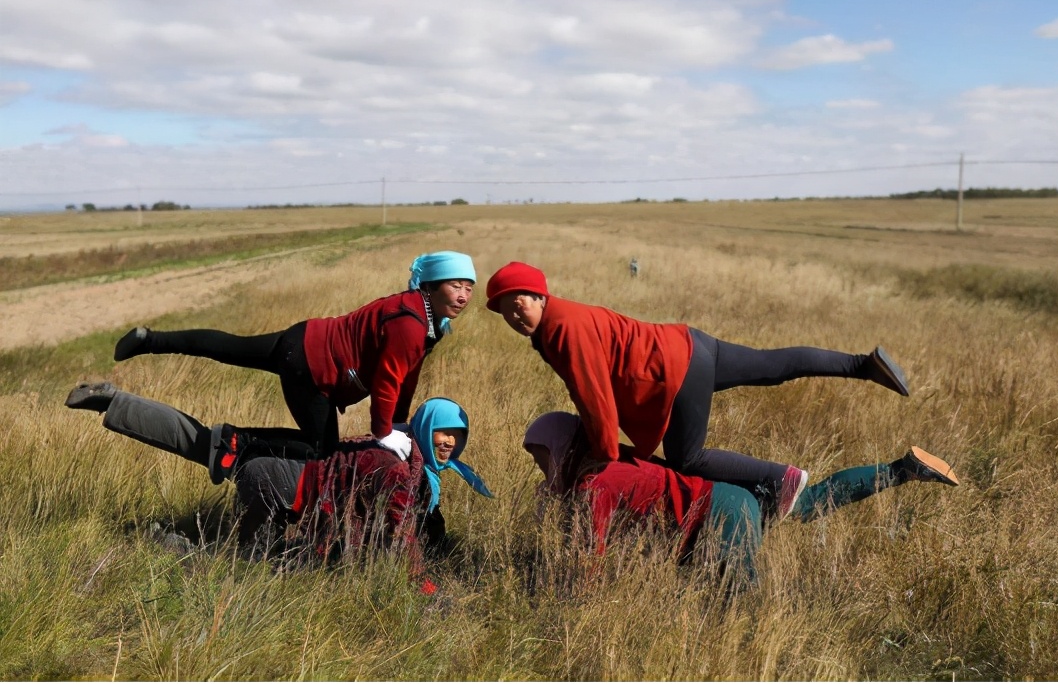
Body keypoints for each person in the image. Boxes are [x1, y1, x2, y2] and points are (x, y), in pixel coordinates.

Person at [485, 261, 912, 519]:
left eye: (520, 301)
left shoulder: (564, 328)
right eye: (506, 310)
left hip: (673, 369)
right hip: (690, 344)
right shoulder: (561, 321)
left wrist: (604, 457)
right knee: (771, 366)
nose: (516, 314)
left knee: (687, 458)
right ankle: (861, 364)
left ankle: (780, 478)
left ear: (540, 296)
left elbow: (593, 397)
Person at [64, 381, 493, 590]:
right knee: (244, 569)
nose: (450, 442)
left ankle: (116, 401)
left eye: (458, 435)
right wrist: (423, 584)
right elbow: (400, 529)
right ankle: (170, 542)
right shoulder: (399, 468)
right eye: (444, 432)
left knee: (197, 444)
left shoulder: (402, 445)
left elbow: (411, 522)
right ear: (426, 427)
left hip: (284, 468)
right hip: (271, 481)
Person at [113, 251, 477, 456]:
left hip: (304, 338)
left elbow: (407, 375)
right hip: (312, 367)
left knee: (229, 347)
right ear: (430, 287)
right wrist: (383, 432)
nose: (463, 295)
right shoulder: (411, 322)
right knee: (322, 451)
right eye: (455, 285)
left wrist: (399, 422)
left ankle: (151, 340)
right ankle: (236, 441)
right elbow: (389, 378)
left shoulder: (429, 322)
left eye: (468, 288)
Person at [522, 411, 958, 579]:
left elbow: (589, 560)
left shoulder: (593, 486)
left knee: (736, 604)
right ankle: (902, 470)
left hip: (720, 514)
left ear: (564, 448)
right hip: (728, 497)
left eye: (543, 456)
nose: (543, 466)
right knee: (811, 503)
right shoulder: (615, 457)